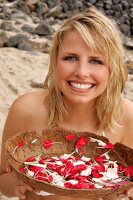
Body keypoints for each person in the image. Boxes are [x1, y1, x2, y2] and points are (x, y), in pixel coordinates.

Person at [0, 6, 133, 200]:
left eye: (96, 61)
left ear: (112, 68)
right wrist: (17, 184)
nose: (81, 71)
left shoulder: (128, 117)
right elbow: (2, 179)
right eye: (70, 57)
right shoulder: (26, 110)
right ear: (55, 61)